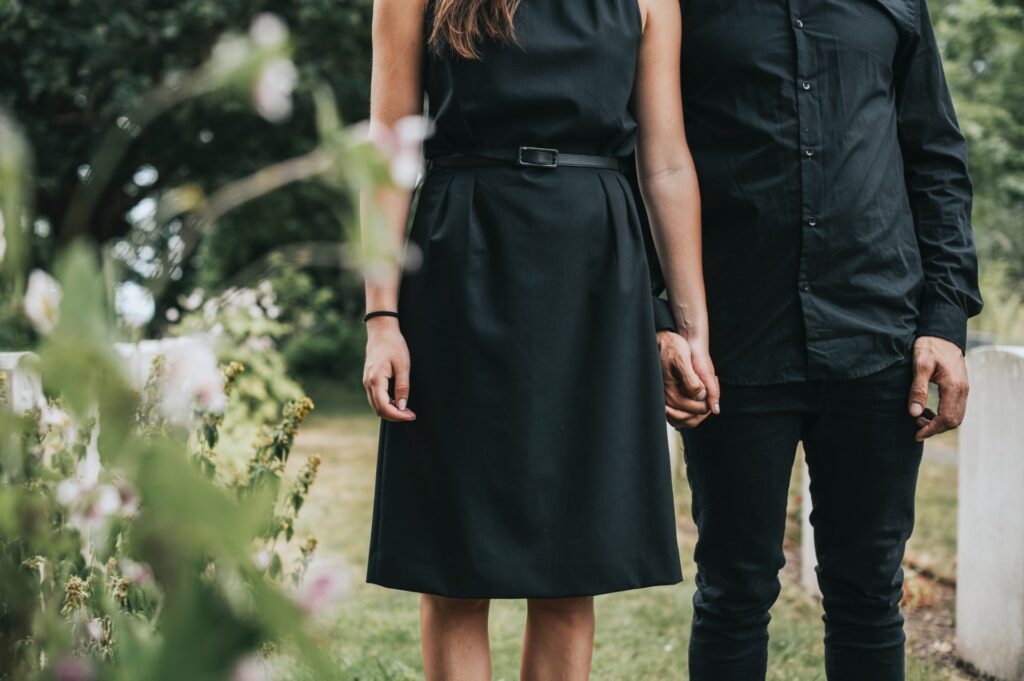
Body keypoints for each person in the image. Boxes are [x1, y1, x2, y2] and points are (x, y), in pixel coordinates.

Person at [361, 0, 710, 678]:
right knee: (456, 565)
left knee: (571, 567)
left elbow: (665, 162)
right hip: (463, 254)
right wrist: (381, 316)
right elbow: (388, 146)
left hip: (597, 270)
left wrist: (688, 327)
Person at [651, 1, 983, 680]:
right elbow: (646, 158)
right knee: (733, 589)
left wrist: (945, 321)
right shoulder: (680, 8)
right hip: (733, 344)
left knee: (868, 591)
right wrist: (660, 316)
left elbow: (937, 159)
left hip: (879, 338)